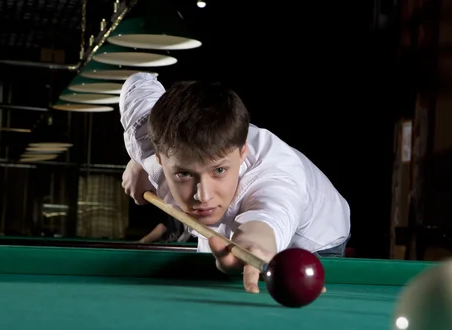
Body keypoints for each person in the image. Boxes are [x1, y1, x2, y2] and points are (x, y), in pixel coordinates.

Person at [120, 73, 350, 293]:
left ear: (242, 154)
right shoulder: (146, 138)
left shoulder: (272, 173)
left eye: (219, 170)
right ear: (160, 159)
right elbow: (137, 84)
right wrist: (139, 162)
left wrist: (252, 243)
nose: (203, 196)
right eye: (184, 174)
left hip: (314, 239)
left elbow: (270, 214)